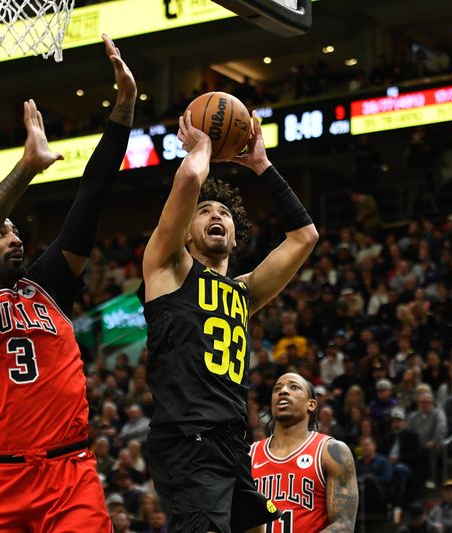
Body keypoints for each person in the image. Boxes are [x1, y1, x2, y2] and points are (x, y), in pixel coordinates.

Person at [0, 35, 136, 531]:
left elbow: (92, 197)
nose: (15, 237)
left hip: (70, 473)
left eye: (17, 229)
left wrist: (124, 109)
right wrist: (25, 168)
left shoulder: (50, 284)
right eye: (2, 233)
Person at [139, 101, 318, 533]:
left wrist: (262, 165)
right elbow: (187, 178)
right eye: (204, 211)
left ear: (235, 236)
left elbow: (304, 236)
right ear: (185, 232)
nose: (215, 214)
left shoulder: (244, 290)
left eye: (223, 213)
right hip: (187, 440)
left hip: (232, 445)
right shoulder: (168, 269)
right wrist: (200, 146)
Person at [250, 373, 358, 532]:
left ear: (311, 405)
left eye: (294, 387)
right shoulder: (248, 455)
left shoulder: (331, 451)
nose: (283, 391)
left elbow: (344, 525)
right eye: (277, 389)